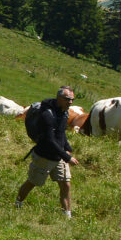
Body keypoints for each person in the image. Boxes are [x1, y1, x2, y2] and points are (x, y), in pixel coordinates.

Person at [18, 86, 78, 217]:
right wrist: (67, 157)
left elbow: (61, 134)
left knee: (66, 185)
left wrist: (68, 149)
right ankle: (18, 203)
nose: (70, 102)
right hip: (44, 156)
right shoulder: (47, 114)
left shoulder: (64, 113)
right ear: (59, 98)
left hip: (59, 156)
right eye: (67, 99)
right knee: (32, 182)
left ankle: (67, 215)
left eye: (72, 99)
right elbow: (49, 140)